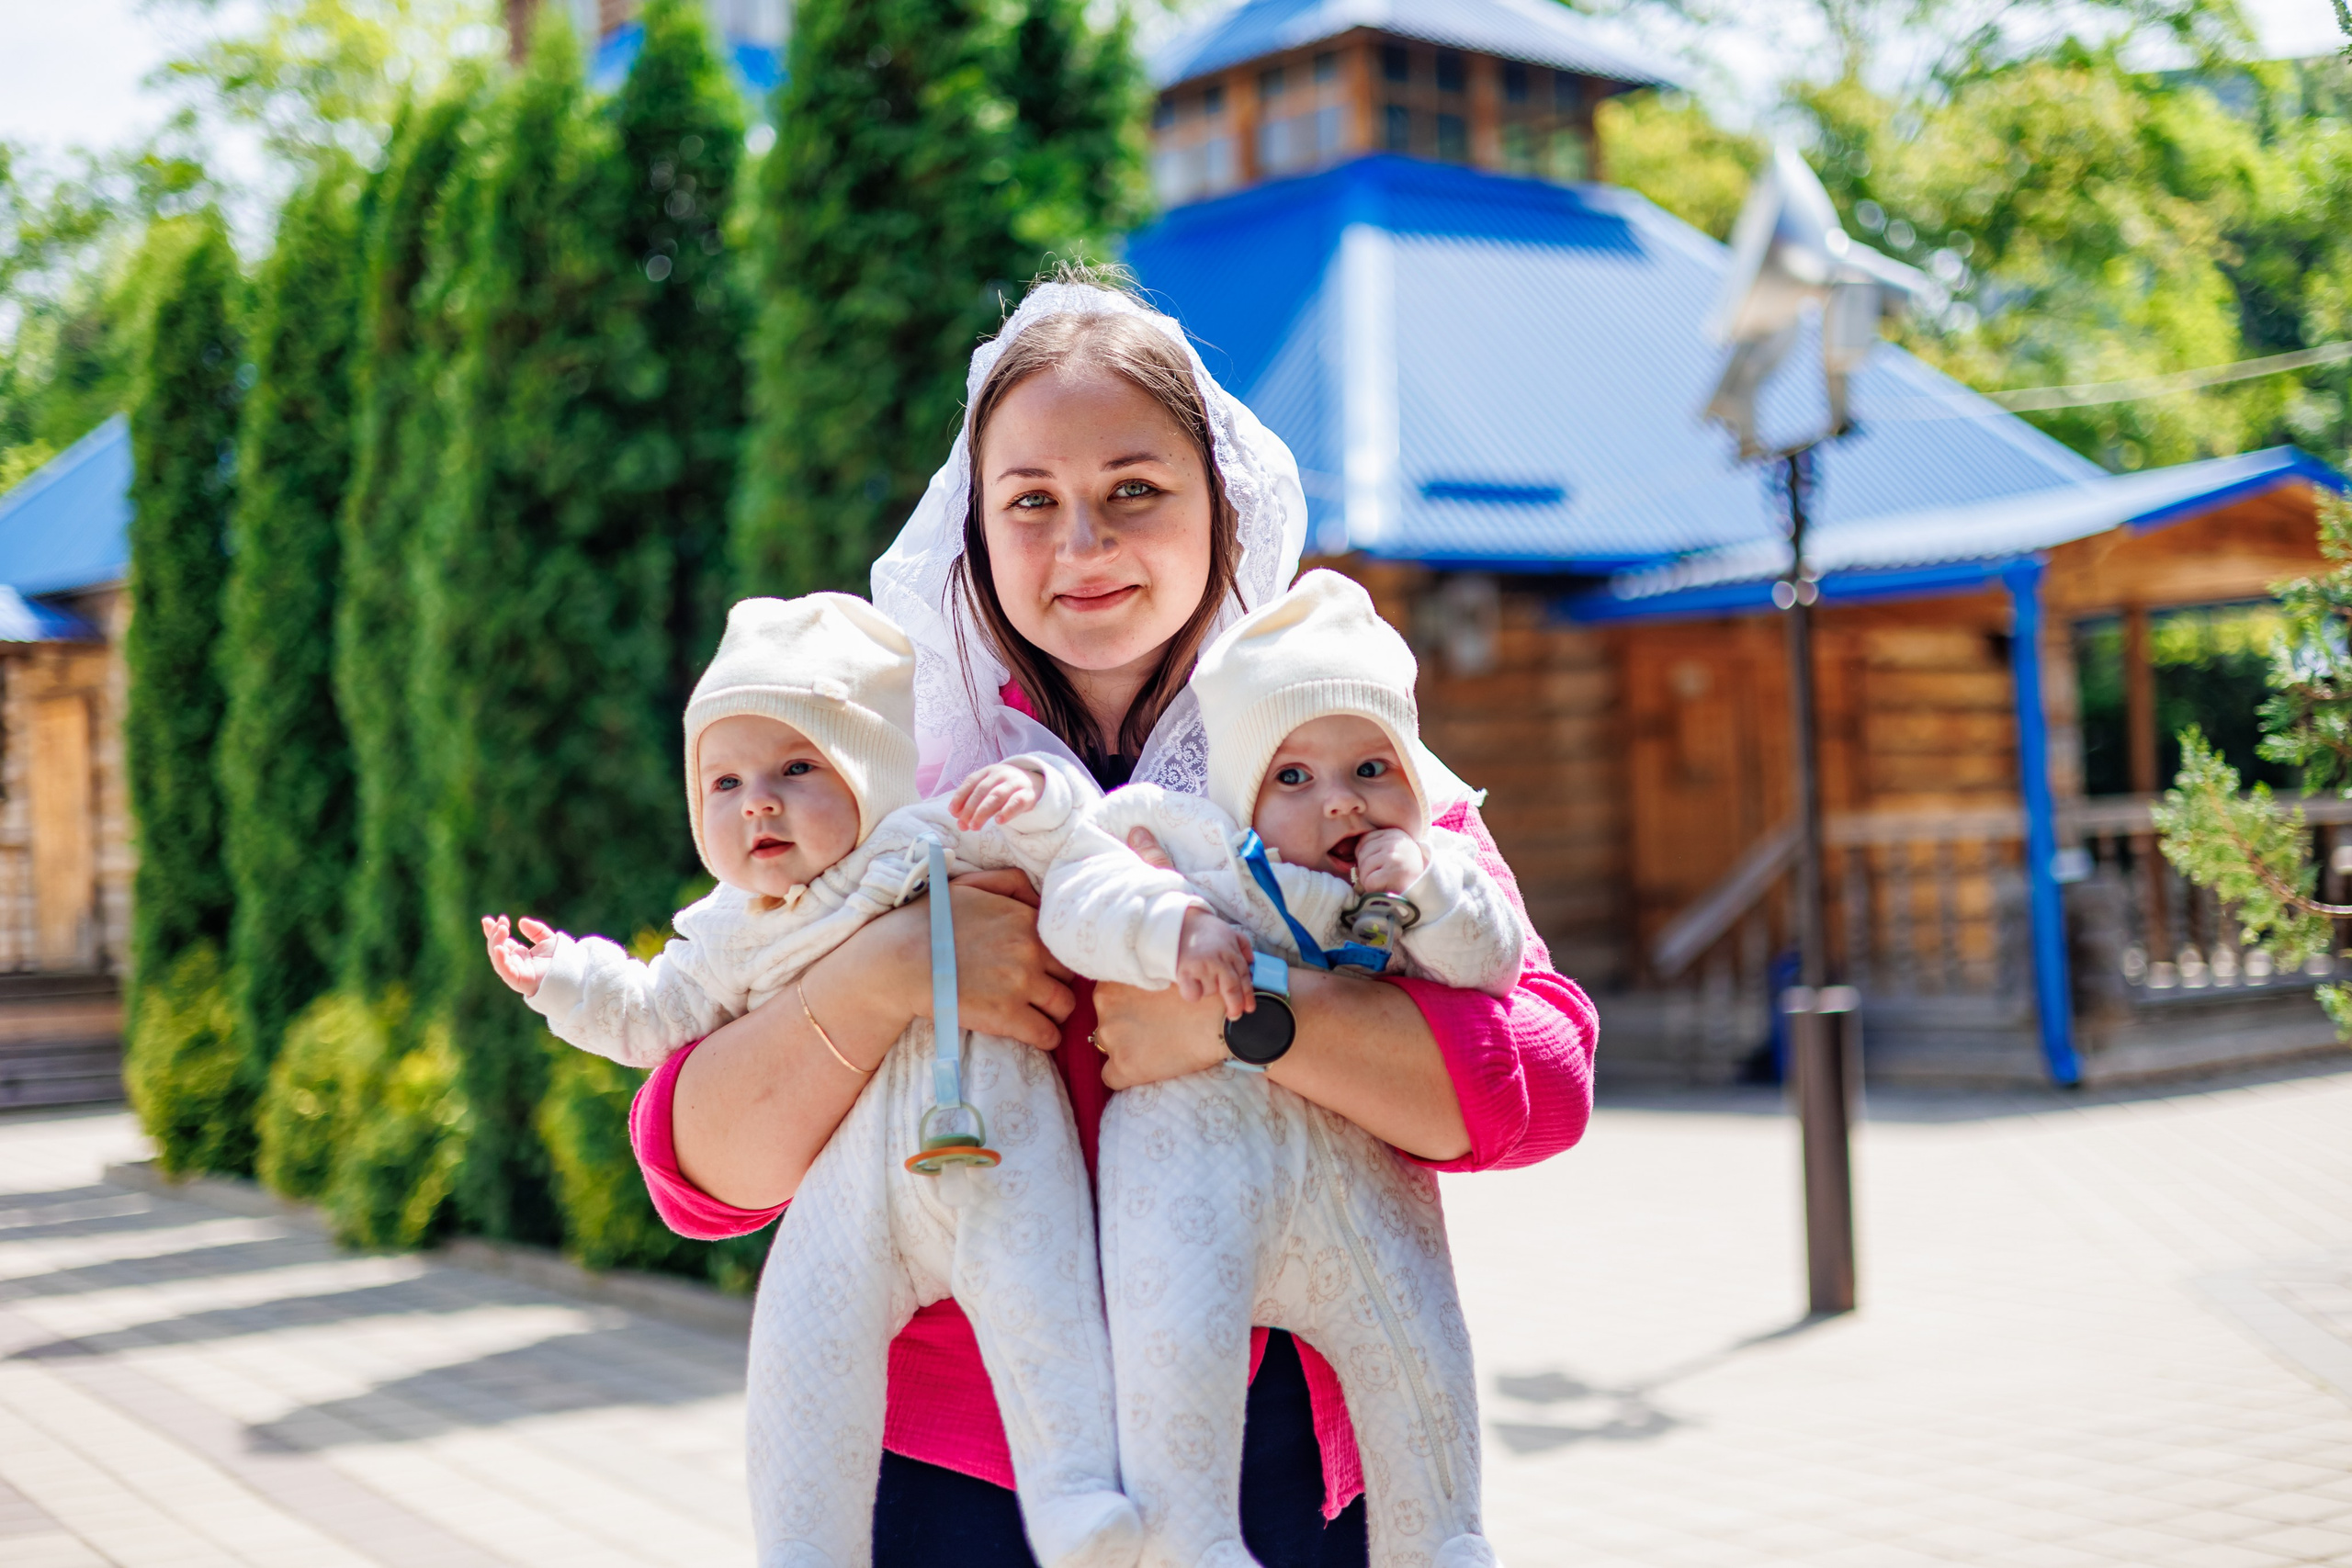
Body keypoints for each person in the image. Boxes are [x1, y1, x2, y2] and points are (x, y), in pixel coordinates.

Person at [628, 272, 1600, 1568]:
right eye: (1031, 501)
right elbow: (696, 1172)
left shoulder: (1339, 768)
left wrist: (1251, 1013)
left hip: (1276, 1446)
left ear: (1225, 513)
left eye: (1134, 490)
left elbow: (1542, 1081)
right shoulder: (871, 789)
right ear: (975, 529)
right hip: (962, 1468)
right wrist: (882, 977)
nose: (1081, 546)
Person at [482, 594, 1137, 1568]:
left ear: (868, 775)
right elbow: (654, 1013)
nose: (758, 802)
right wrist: (568, 978)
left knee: (1037, 1295)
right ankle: (802, 1543)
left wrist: (1038, 789)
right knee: (801, 1350)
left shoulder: (924, 840)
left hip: (994, 1144)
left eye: (797, 769)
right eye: (725, 782)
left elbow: (1072, 842)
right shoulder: (727, 932)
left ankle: (1075, 1493)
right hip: (853, 1196)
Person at [1037, 568, 1524, 1568]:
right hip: (1195, 1181)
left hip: (1363, 1193)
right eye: (1293, 778)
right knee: (1175, 1351)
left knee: (1418, 1346)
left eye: (1371, 771)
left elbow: (1496, 965)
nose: (1340, 805)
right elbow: (1079, 891)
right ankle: (1191, 1540)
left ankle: (1440, 1537)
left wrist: (1430, 888)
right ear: (1241, 789)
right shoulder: (1191, 843)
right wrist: (1165, 924)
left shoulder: (1424, 872)